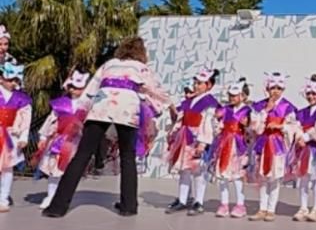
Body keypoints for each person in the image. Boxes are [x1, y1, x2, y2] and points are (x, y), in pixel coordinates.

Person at [44, 38, 170, 217]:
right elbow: (156, 90)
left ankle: (57, 207)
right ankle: (129, 206)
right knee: (128, 156)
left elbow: (90, 90)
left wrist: (81, 111)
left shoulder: (108, 64)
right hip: (127, 108)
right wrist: (167, 106)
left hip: (101, 106)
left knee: (82, 154)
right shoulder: (141, 68)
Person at [34, 70, 91, 210]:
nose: (74, 90)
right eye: (72, 86)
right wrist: (43, 136)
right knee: (54, 169)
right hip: (58, 140)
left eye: (78, 87)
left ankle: (63, 196)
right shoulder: (60, 104)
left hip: (76, 142)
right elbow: (51, 120)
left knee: (70, 170)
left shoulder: (89, 105)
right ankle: (50, 195)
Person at [166, 68, 221, 215]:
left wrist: (203, 143)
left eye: (201, 84)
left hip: (198, 139)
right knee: (184, 169)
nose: (197, 86)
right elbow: (180, 117)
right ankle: (183, 199)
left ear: (209, 85)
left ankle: (198, 201)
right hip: (185, 137)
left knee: (198, 171)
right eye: (196, 83)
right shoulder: (189, 101)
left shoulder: (210, 102)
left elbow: (208, 123)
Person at [250, 72, 297, 221]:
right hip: (263, 143)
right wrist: (266, 111)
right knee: (263, 176)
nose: (275, 91)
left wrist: (280, 126)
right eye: (272, 88)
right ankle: (262, 208)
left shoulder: (288, 107)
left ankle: (271, 209)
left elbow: (292, 127)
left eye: (278, 88)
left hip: (278, 145)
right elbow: (255, 127)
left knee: (275, 178)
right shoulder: (260, 106)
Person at [211, 82, 252, 218]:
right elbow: (218, 123)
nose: (232, 98)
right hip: (225, 143)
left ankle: (240, 204)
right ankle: (224, 203)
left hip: (239, 145)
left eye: (235, 96)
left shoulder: (247, 110)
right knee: (223, 175)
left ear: (243, 96)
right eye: (230, 95)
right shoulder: (225, 109)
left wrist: (247, 126)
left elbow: (251, 129)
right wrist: (218, 124)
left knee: (238, 176)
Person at [291, 75, 316, 222]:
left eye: (315, 93)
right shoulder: (302, 112)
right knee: (304, 178)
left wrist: (306, 137)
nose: (312, 96)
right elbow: (297, 126)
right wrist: (299, 137)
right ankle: (303, 207)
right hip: (304, 150)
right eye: (309, 94)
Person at [0, 61, 31, 213]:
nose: (12, 83)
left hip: (10, 137)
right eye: (9, 79)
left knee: (7, 169)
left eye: (15, 80)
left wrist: (24, 137)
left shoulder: (21, 99)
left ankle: (3, 198)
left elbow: (26, 119)